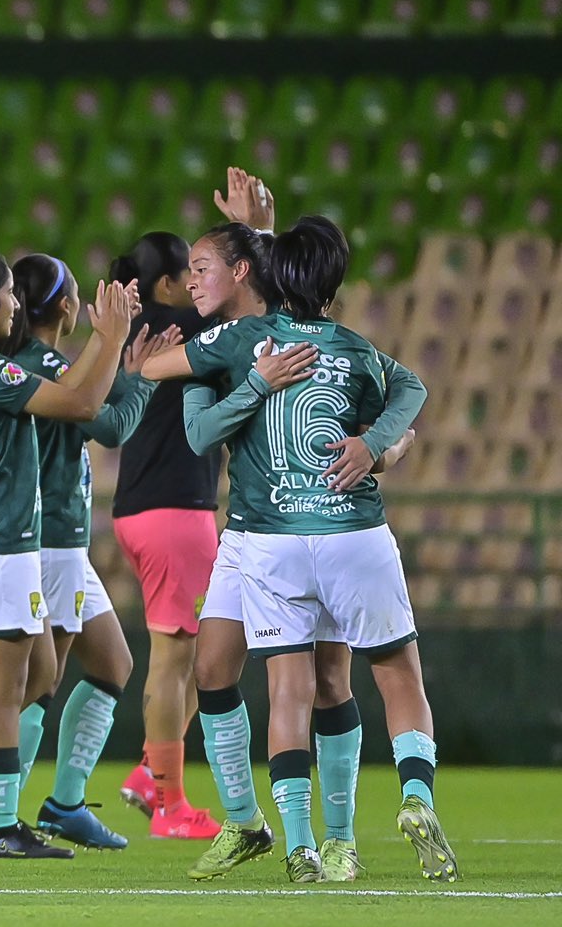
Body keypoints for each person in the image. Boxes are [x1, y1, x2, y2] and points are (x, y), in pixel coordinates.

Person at [147, 214, 448, 883]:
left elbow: (154, 371)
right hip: (288, 532)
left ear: (251, 270)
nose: (192, 280)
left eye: (203, 268)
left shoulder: (239, 337)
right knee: (215, 668)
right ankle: (256, 823)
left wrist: (382, 446)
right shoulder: (334, 343)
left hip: (274, 534)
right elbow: (409, 392)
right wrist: (386, 444)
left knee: (313, 683)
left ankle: (317, 842)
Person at [0, 253, 170, 852]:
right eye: (6, 295)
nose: (14, 305)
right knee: (16, 685)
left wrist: (112, 354)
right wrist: (122, 355)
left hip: (14, 539)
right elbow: (95, 415)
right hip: (15, 541)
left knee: (46, 673)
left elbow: (84, 401)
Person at [107, 232, 223, 840]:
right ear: (168, 284)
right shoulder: (181, 325)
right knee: (182, 657)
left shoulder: (140, 328)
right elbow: (259, 312)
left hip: (146, 507)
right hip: (176, 510)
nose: (202, 283)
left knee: (202, 654)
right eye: (193, 273)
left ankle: (153, 771)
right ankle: (169, 805)